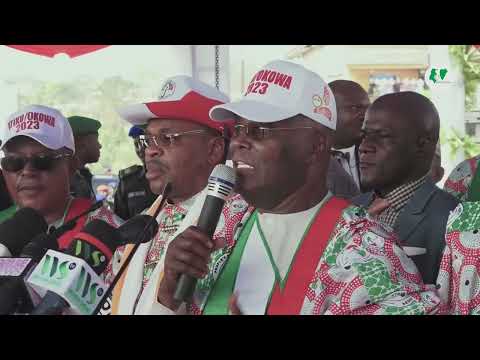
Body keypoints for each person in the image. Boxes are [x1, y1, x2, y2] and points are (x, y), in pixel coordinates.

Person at [151, 60, 440, 315]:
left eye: (259, 130)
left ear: (315, 146)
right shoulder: (220, 221)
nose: (238, 142)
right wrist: (168, 292)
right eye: (238, 129)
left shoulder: (369, 254)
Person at [105, 76, 240, 315]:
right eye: (148, 139)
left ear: (214, 149)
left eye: (168, 138)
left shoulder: (242, 221)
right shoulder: (143, 222)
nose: (150, 150)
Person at [352, 91, 459, 285]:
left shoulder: (454, 222)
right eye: (365, 135)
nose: (364, 146)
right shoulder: (349, 209)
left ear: (423, 145)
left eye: (382, 136)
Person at [0, 105, 122, 248]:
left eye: (42, 159)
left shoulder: (110, 232)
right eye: (13, 162)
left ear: (71, 166)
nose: (27, 171)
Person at [328, 80, 371, 191]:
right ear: (329, 113)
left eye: (368, 108)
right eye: (355, 108)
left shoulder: (377, 154)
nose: (365, 115)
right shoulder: (308, 161)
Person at [113, 125, 156, 221]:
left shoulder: (172, 176)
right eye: (136, 145)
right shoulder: (128, 182)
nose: (140, 149)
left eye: (145, 143)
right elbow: (118, 222)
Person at [68, 115, 102, 200]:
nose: (100, 145)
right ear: (82, 142)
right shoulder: (67, 179)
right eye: (96, 140)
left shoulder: (84, 176)